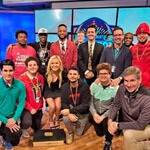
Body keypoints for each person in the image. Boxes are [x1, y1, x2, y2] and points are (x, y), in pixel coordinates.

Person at [108, 66, 150, 150]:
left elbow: (141, 124)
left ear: (139, 80)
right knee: (129, 140)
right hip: (128, 123)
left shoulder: (147, 97)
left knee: (129, 136)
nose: (129, 84)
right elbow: (115, 105)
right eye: (126, 80)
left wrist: (117, 125)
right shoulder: (121, 88)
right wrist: (110, 121)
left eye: (132, 80)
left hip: (146, 125)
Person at [90, 63, 119, 150]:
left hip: (108, 113)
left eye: (105, 73)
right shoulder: (94, 85)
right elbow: (90, 103)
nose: (103, 76)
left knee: (108, 123)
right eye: (100, 74)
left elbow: (114, 106)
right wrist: (95, 114)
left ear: (110, 74)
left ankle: (108, 143)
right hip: (96, 112)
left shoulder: (116, 88)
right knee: (99, 133)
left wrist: (103, 116)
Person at [0, 59, 26, 150]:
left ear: (14, 71)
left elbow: (22, 103)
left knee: (16, 136)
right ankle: (3, 136)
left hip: (11, 117)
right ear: (1, 71)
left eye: (10, 70)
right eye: (5, 71)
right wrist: (4, 120)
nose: (8, 73)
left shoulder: (20, 85)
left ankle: (4, 137)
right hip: (0, 116)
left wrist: (14, 119)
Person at [61, 66, 91, 144]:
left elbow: (85, 105)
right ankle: (70, 133)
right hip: (72, 109)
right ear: (67, 76)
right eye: (70, 74)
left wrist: (70, 111)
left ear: (78, 76)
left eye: (75, 74)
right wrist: (69, 113)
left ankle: (82, 121)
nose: (72, 76)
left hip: (82, 112)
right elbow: (64, 103)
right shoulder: (64, 87)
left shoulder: (85, 87)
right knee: (65, 118)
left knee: (79, 134)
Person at [19, 57, 44, 138]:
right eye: (30, 65)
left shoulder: (41, 77)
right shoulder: (22, 79)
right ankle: (23, 128)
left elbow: (41, 92)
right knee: (27, 122)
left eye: (34, 65)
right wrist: (30, 108)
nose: (32, 67)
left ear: (38, 66)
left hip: (38, 108)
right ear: (27, 67)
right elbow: (20, 98)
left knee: (36, 127)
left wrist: (40, 106)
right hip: (27, 108)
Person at [44, 55, 63, 129]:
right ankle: (51, 119)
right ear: (49, 64)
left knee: (58, 106)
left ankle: (57, 119)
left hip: (58, 91)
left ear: (60, 64)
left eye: (56, 63)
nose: (54, 65)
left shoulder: (63, 73)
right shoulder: (45, 72)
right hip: (48, 91)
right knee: (52, 106)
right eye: (52, 63)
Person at [130, 22, 150, 88]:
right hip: (134, 84)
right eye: (139, 34)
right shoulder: (133, 48)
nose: (141, 36)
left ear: (148, 34)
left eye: (144, 33)